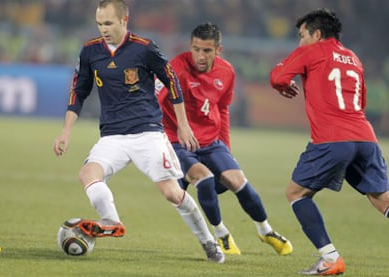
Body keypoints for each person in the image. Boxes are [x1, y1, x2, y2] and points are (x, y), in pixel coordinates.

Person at [53, 0, 224, 263]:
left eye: (108, 23)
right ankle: (111, 221)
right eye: (99, 24)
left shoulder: (144, 49)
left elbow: (172, 81)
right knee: (87, 174)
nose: (103, 29)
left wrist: (183, 123)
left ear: (124, 20)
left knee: (172, 192)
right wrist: (65, 132)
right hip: (112, 135)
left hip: (147, 133)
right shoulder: (90, 52)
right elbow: (79, 92)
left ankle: (208, 241)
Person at [157, 22, 293, 256]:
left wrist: (226, 149)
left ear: (218, 50)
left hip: (211, 143)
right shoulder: (175, 68)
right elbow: (153, 104)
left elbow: (222, 109)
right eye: (196, 49)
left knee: (239, 182)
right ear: (191, 46)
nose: (200, 55)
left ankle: (265, 230)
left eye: (207, 50)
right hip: (178, 143)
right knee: (205, 179)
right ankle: (221, 235)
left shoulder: (227, 71)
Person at [270, 8, 389, 275]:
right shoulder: (353, 58)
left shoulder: (312, 51)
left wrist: (281, 82)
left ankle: (330, 258)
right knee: (382, 199)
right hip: (365, 137)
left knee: (296, 193)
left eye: (302, 35)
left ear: (317, 34)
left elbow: (278, 77)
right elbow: (362, 100)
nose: (300, 42)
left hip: (332, 139)